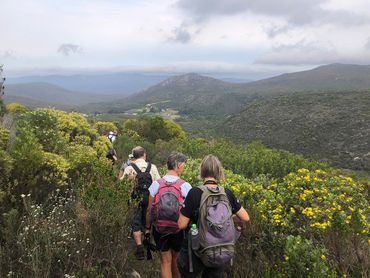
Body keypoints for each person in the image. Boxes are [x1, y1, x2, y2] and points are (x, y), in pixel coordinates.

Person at [177, 155, 250, 278]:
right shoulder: (226, 193)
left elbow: (181, 224)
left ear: (202, 171)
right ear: (218, 172)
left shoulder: (195, 193)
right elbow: (245, 217)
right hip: (218, 251)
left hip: (195, 250)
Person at [145, 152, 192, 278]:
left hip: (160, 229)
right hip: (178, 229)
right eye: (184, 164)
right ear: (178, 165)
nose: (184, 167)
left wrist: (147, 228)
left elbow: (149, 210)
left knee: (165, 262)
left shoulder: (156, 184)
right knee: (176, 260)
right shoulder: (185, 186)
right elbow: (190, 212)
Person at [120, 146, 161, 260]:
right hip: (149, 198)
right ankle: (147, 241)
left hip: (135, 198)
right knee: (147, 220)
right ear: (144, 155)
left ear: (133, 156)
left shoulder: (129, 168)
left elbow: (122, 185)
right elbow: (159, 183)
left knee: (135, 221)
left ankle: (139, 249)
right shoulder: (152, 167)